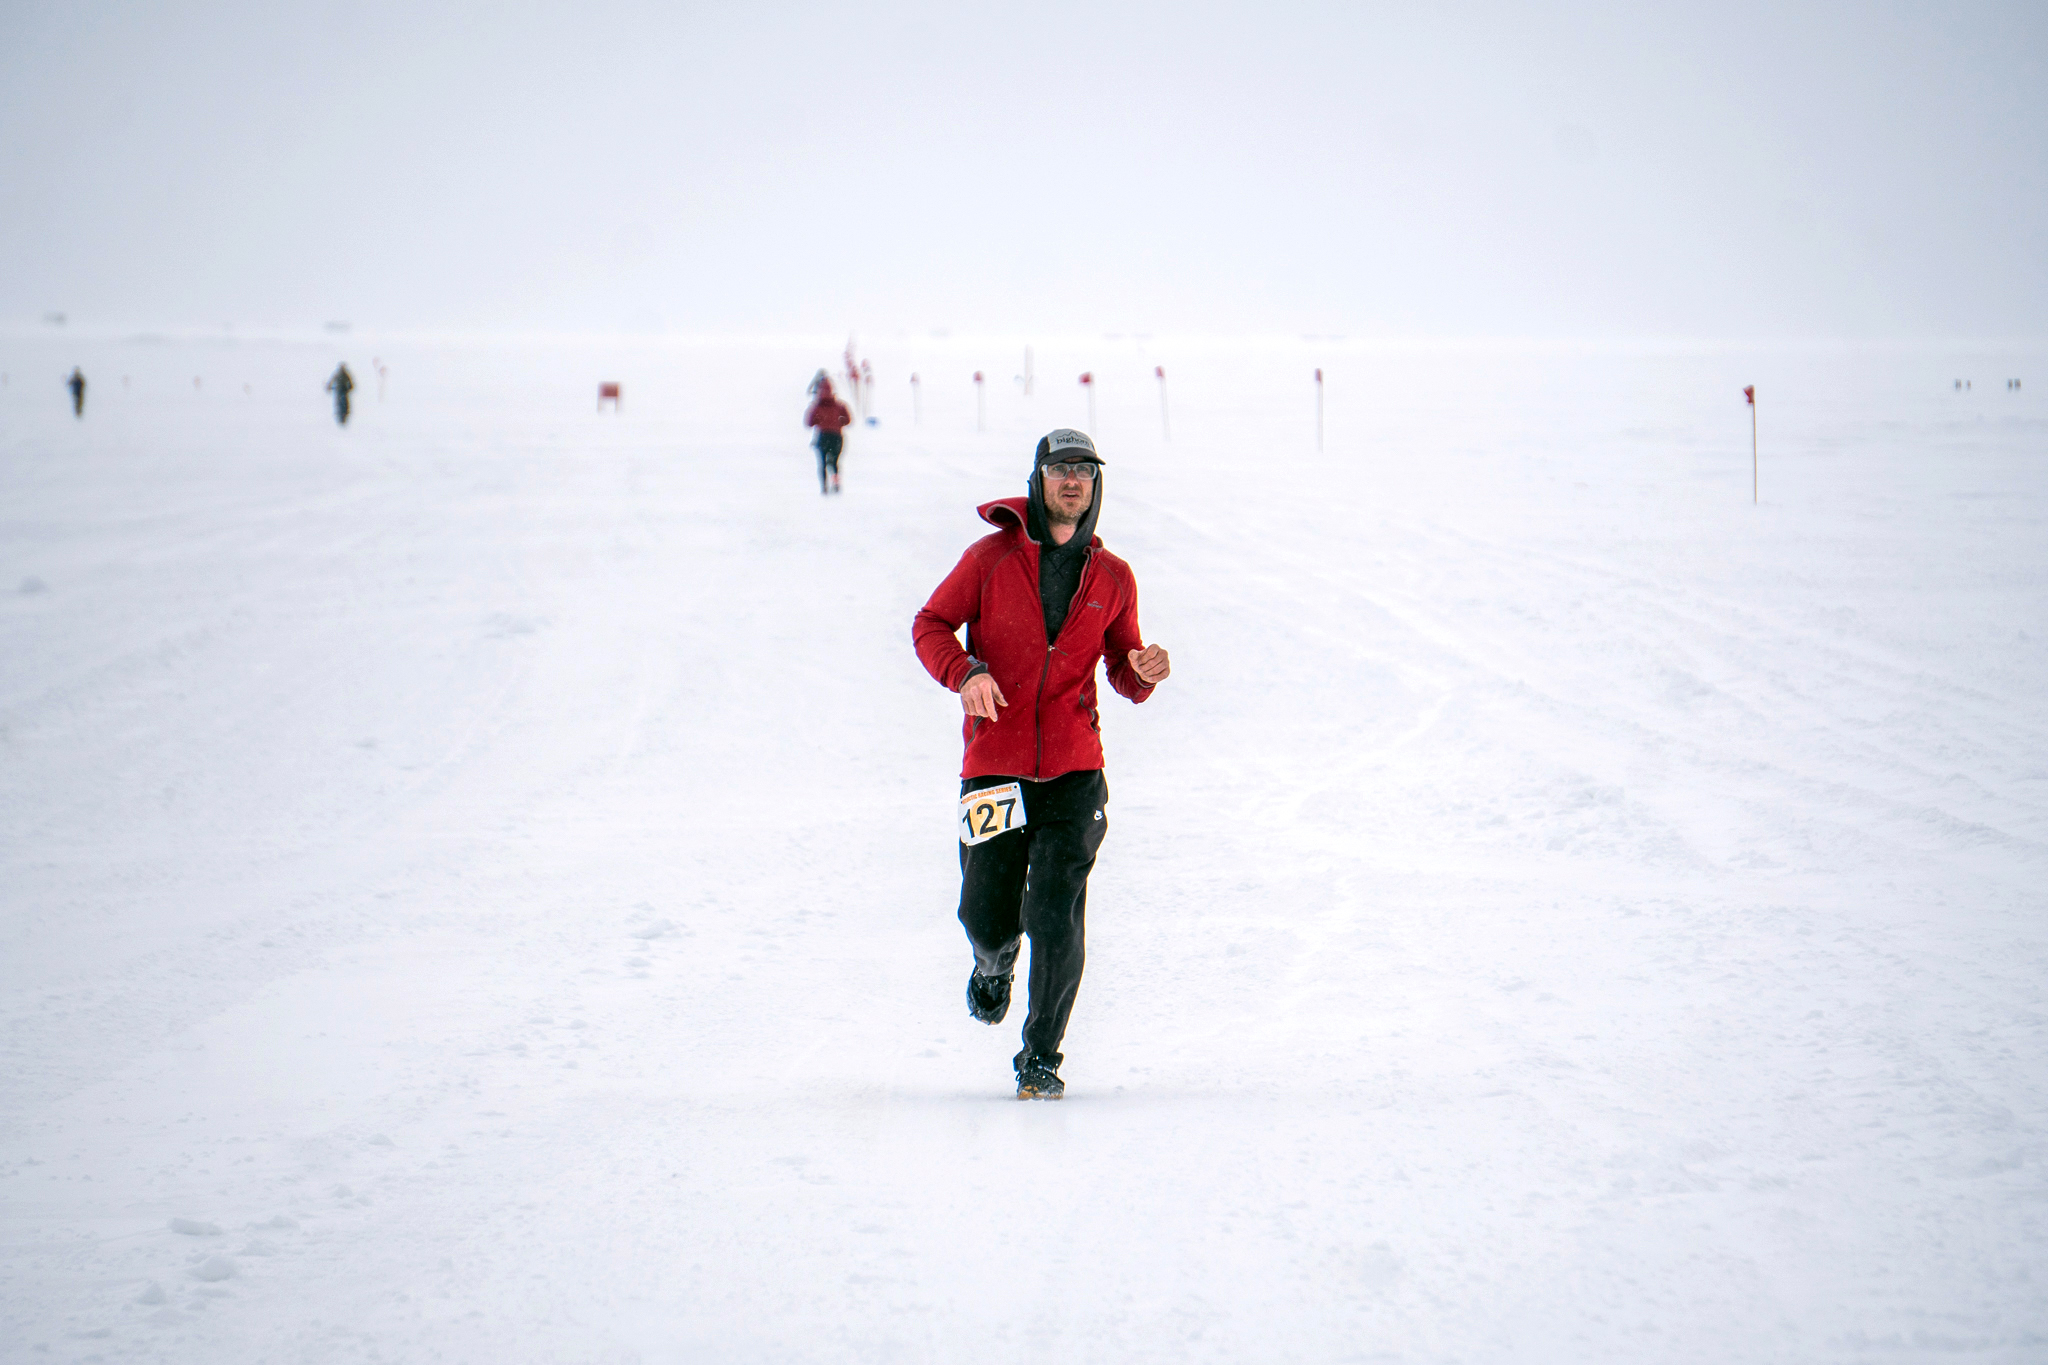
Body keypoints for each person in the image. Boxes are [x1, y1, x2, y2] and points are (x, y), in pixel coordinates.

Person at [912, 428, 1171, 1099]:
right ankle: (993, 965)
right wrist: (964, 671)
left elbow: (1121, 664)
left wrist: (1141, 672)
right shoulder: (989, 559)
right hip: (994, 764)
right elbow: (930, 624)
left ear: (1095, 485)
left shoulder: (1114, 577)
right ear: (1039, 479)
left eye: (1084, 470)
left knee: (1057, 914)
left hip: (1073, 772)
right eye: (1060, 469)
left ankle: (1041, 1058)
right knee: (986, 916)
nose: (1073, 481)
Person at [805, 375, 851, 494]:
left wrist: (820, 421)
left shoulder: (816, 406)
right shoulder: (839, 405)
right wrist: (838, 422)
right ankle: (835, 482)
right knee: (834, 462)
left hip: (823, 436)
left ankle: (824, 486)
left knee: (822, 463)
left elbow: (809, 423)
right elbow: (848, 420)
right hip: (837, 437)